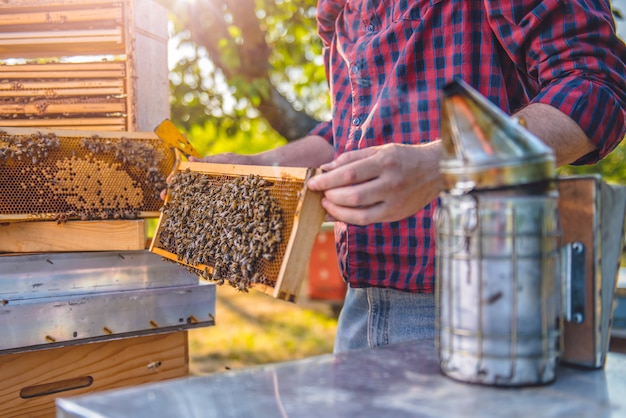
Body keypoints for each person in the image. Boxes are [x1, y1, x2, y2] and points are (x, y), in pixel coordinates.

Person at [193, 1, 626, 353]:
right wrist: (267, 165)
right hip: (359, 310)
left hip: (488, 309)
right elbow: (354, 132)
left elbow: (593, 89)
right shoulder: (340, 11)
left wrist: (444, 163)